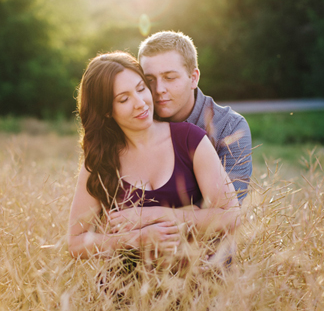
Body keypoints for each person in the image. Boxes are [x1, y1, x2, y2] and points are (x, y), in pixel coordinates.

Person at [67, 52, 240, 260]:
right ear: (106, 111)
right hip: (122, 289)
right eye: (123, 99)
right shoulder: (100, 159)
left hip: (193, 284)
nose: (140, 103)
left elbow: (231, 216)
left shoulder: (189, 139)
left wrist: (155, 215)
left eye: (141, 89)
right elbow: (75, 243)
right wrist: (138, 238)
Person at [138, 31, 252, 203]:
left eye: (169, 77)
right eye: (150, 79)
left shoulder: (230, 127)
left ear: (193, 78)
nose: (159, 89)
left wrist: (156, 216)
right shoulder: (136, 119)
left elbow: (228, 211)